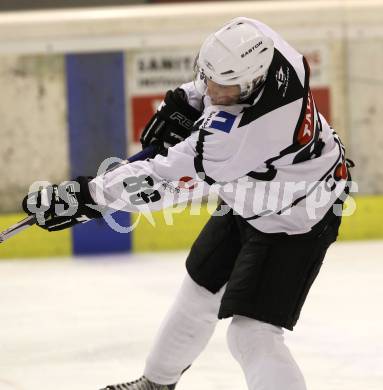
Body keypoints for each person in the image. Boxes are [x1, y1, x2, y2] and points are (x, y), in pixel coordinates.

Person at [23, 17, 352, 390]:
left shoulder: (239, 141)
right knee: (199, 290)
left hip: (297, 217)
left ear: (252, 85)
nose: (211, 88)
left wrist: (85, 198)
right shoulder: (262, 42)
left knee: (251, 334)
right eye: (207, 76)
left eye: (222, 86)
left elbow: (158, 180)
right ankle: (157, 384)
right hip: (255, 192)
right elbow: (211, 84)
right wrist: (188, 99)